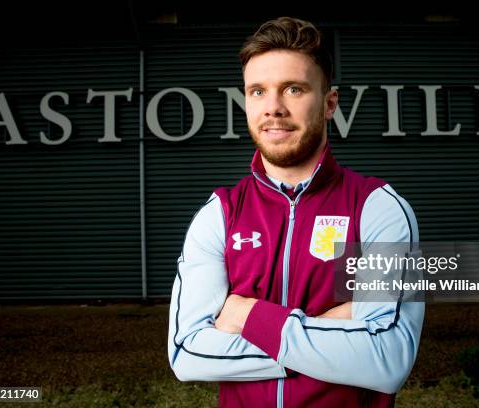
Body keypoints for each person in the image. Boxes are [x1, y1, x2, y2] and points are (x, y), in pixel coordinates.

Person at [168, 16, 424, 408]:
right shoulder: (219, 214)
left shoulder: (378, 208)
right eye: (257, 91)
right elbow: (187, 354)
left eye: (293, 89)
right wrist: (330, 337)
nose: (273, 108)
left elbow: (388, 359)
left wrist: (249, 315)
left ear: (329, 103)